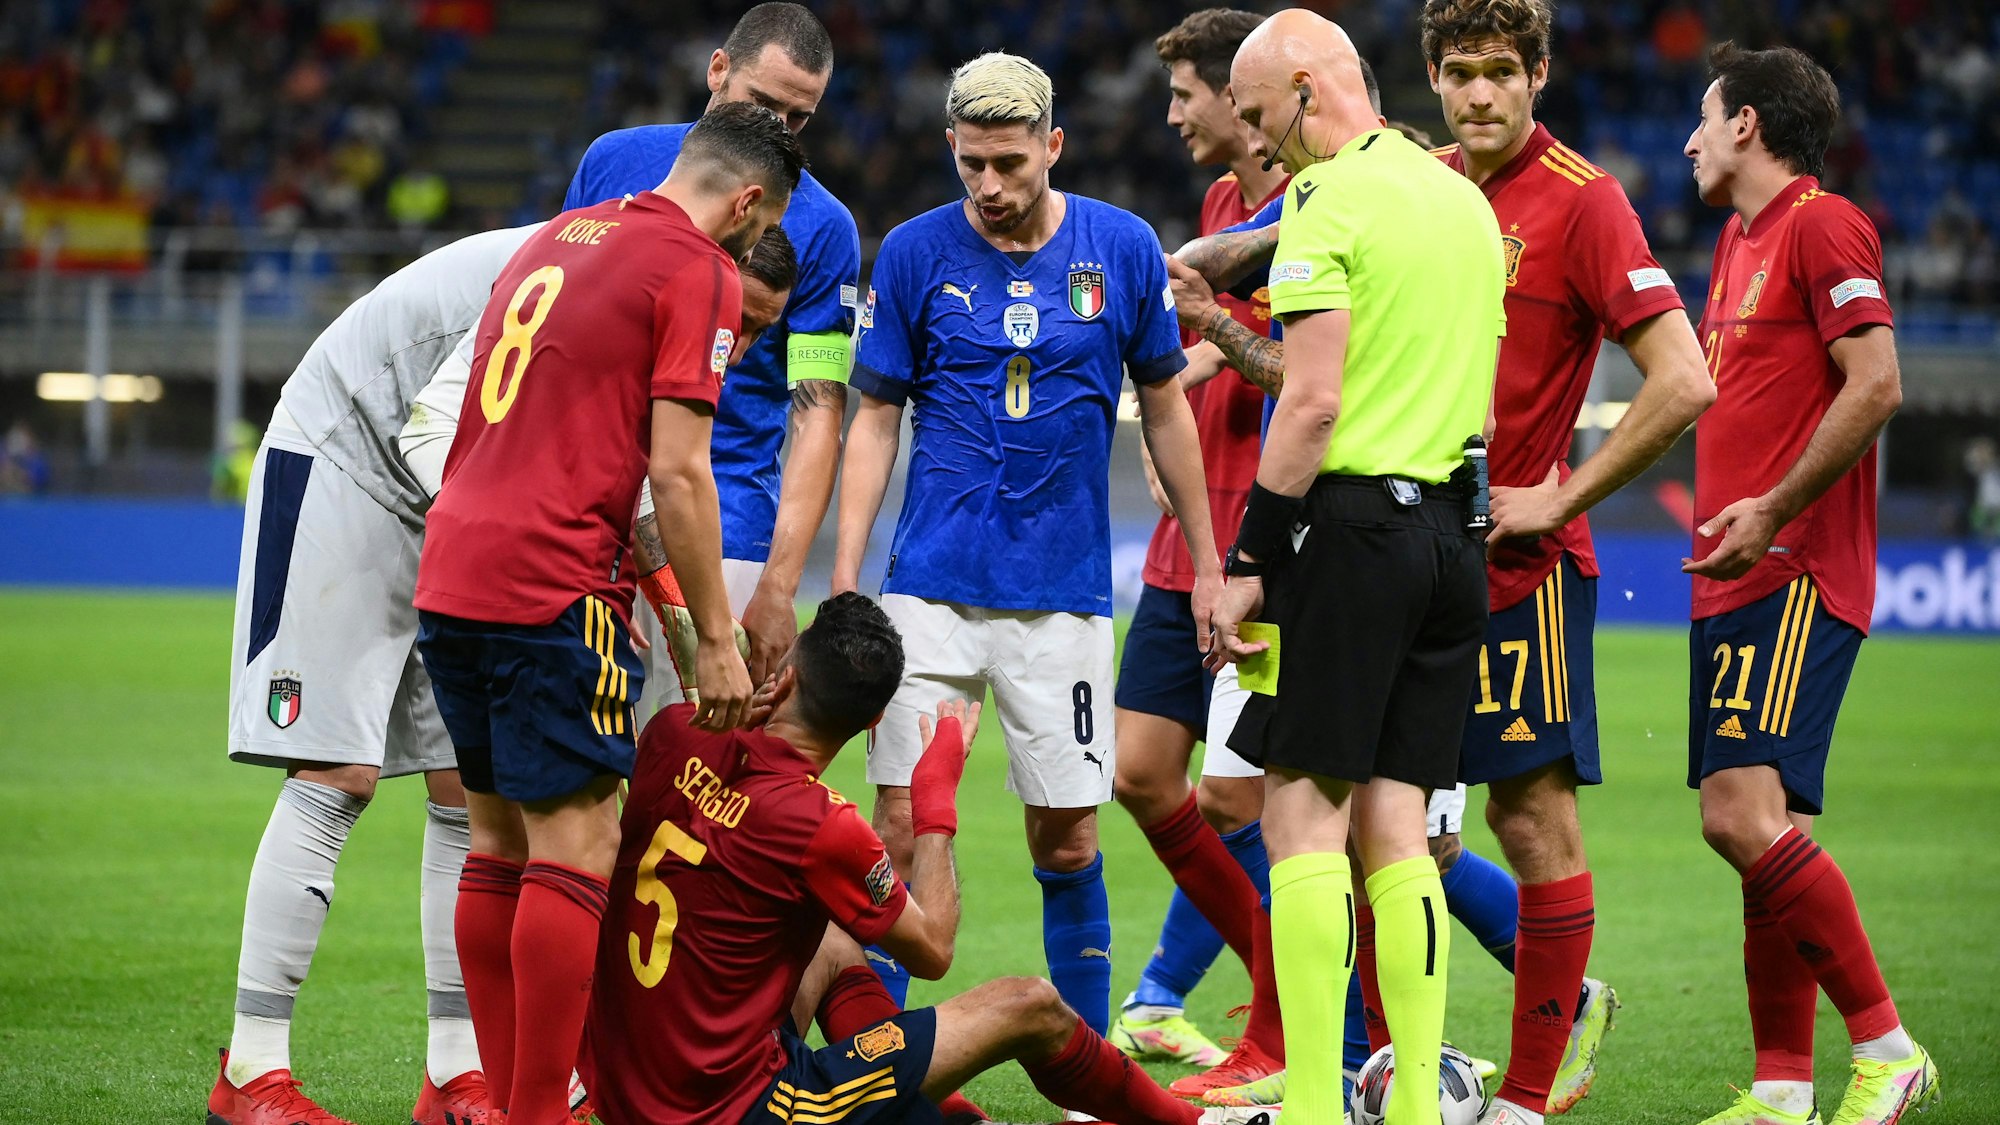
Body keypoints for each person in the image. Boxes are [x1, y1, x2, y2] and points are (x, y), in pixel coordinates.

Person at [413, 103, 798, 1125]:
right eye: (755, 229)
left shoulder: (562, 235)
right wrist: (715, 640)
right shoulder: (697, 268)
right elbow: (677, 475)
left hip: (452, 567)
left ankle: (508, 1102)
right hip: (552, 579)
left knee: (494, 843)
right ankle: (542, 1112)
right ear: (747, 200)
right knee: (576, 849)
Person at [833, 51, 1220, 1038]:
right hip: (925, 592)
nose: (989, 187)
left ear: (1053, 144)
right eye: (970, 165)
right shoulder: (914, 254)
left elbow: (1167, 408)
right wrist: (844, 581)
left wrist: (1209, 560)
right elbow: (874, 417)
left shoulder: (1122, 247)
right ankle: (873, 1069)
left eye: (1009, 163)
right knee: (897, 831)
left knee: (1065, 837)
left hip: (1062, 597)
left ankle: (1085, 1081)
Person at [1164, 65, 1523, 1117]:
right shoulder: (1462, 201)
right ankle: (1412, 1104)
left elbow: (1312, 402)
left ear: (1306, 89)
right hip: (1452, 538)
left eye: (1262, 114)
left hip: (1354, 530)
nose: (1263, 143)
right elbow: (1480, 411)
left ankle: (1316, 1104)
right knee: (1399, 828)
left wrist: (1246, 561)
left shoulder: (1332, 197)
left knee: (1299, 816)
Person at [582, 593, 1201, 1125]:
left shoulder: (670, 732)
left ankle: (946, 1115)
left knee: (831, 938)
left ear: (786, 678)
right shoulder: (821, 825)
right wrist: (935, 804)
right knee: (1029, 1004)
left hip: (618, 1080)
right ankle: (1191, 1122)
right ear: (875, 720)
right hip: (730, 1109)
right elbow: (932, 951)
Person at [205, 219, 548, 1125]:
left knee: (469, 788)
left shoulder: (636, 268)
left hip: (453, 493)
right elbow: (437, 422)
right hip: (347, 458)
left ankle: (454, 1073)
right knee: (335, 772)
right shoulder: (611, 272)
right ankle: (251, 1071)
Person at [1683, 42, 1935, 1125]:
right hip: (1731, 575)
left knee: (1737, 815)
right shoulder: (1735, 241)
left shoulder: (1821, 224)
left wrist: (1776, 512)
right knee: (1756, 823)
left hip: (1791, 570)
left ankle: (1885, 1048)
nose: (1687, 138)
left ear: (1746, 125)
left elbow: (1875, 384)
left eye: (1702, 117)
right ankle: (1782, 1085)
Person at [564, 2, 860, 710]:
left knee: (693, 785)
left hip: (721, 526)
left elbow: (817, 412)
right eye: (762, 104)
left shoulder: (825, 226)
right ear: (717, 70)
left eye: (798, 119)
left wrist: (780, 585)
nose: (776, 131)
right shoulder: (613, 161)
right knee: (563, 783)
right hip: (585, 514)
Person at [1107, 6, 1284, 1073]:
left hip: (1267, 547)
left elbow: (1304, 358)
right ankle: (1259, 992)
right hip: (1190, 533)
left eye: (1185, 94)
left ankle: (1296, 1018)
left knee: (1237, 797)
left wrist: (1199, 353)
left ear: (1240, 96)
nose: (1170, 114)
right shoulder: (1221, 203)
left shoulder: (1316, 207)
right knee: (1139, 773)